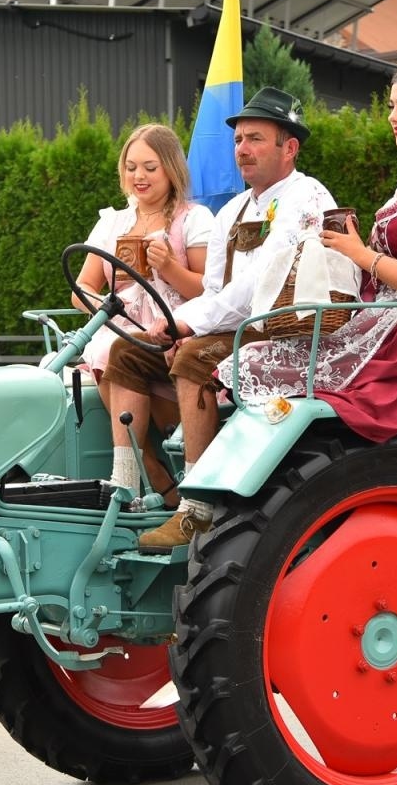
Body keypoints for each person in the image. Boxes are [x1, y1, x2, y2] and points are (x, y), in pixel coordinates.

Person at [102, 87, 337, 550]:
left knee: (192, 355)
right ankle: (123, 484)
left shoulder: (305, 198)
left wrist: (185, 325)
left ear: (289, 148)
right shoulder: (234, 208)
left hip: (285, 330)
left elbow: (257, 290)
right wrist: (180, 322)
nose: (243, 150)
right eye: (238, 140)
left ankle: (198, 508)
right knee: (126, 351)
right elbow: (214, 291)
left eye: (255, 139)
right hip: (236, 328)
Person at [223, 58, 397, 447]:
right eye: (392, 105)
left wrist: (362, 255)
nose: (393, 116)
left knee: (248, 362)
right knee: (250, 356)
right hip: (390, 319)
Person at [73, 124, 214, 502]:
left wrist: (168, 267)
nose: (140, 176)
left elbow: (208, 289)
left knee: (109, 349)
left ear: (171, 169)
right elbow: (82, 287)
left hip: (176, 325)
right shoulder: (112, 222)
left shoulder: (194, 219)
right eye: (132, 167)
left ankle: (138, 471)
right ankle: (143, 465)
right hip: (118, 323)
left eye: (150, 167)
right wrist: (103, 308)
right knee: (103, 345)